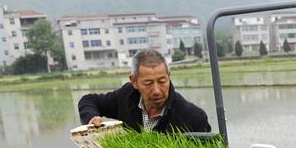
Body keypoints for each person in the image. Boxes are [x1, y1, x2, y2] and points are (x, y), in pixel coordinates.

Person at [78, 49, 210, 133]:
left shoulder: (194, 117)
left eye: (162, 81)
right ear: (134, 81)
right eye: (148, 83)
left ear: (169, 76)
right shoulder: (126, 96)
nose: (157, 90)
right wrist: (91, 118)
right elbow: (89, 100)